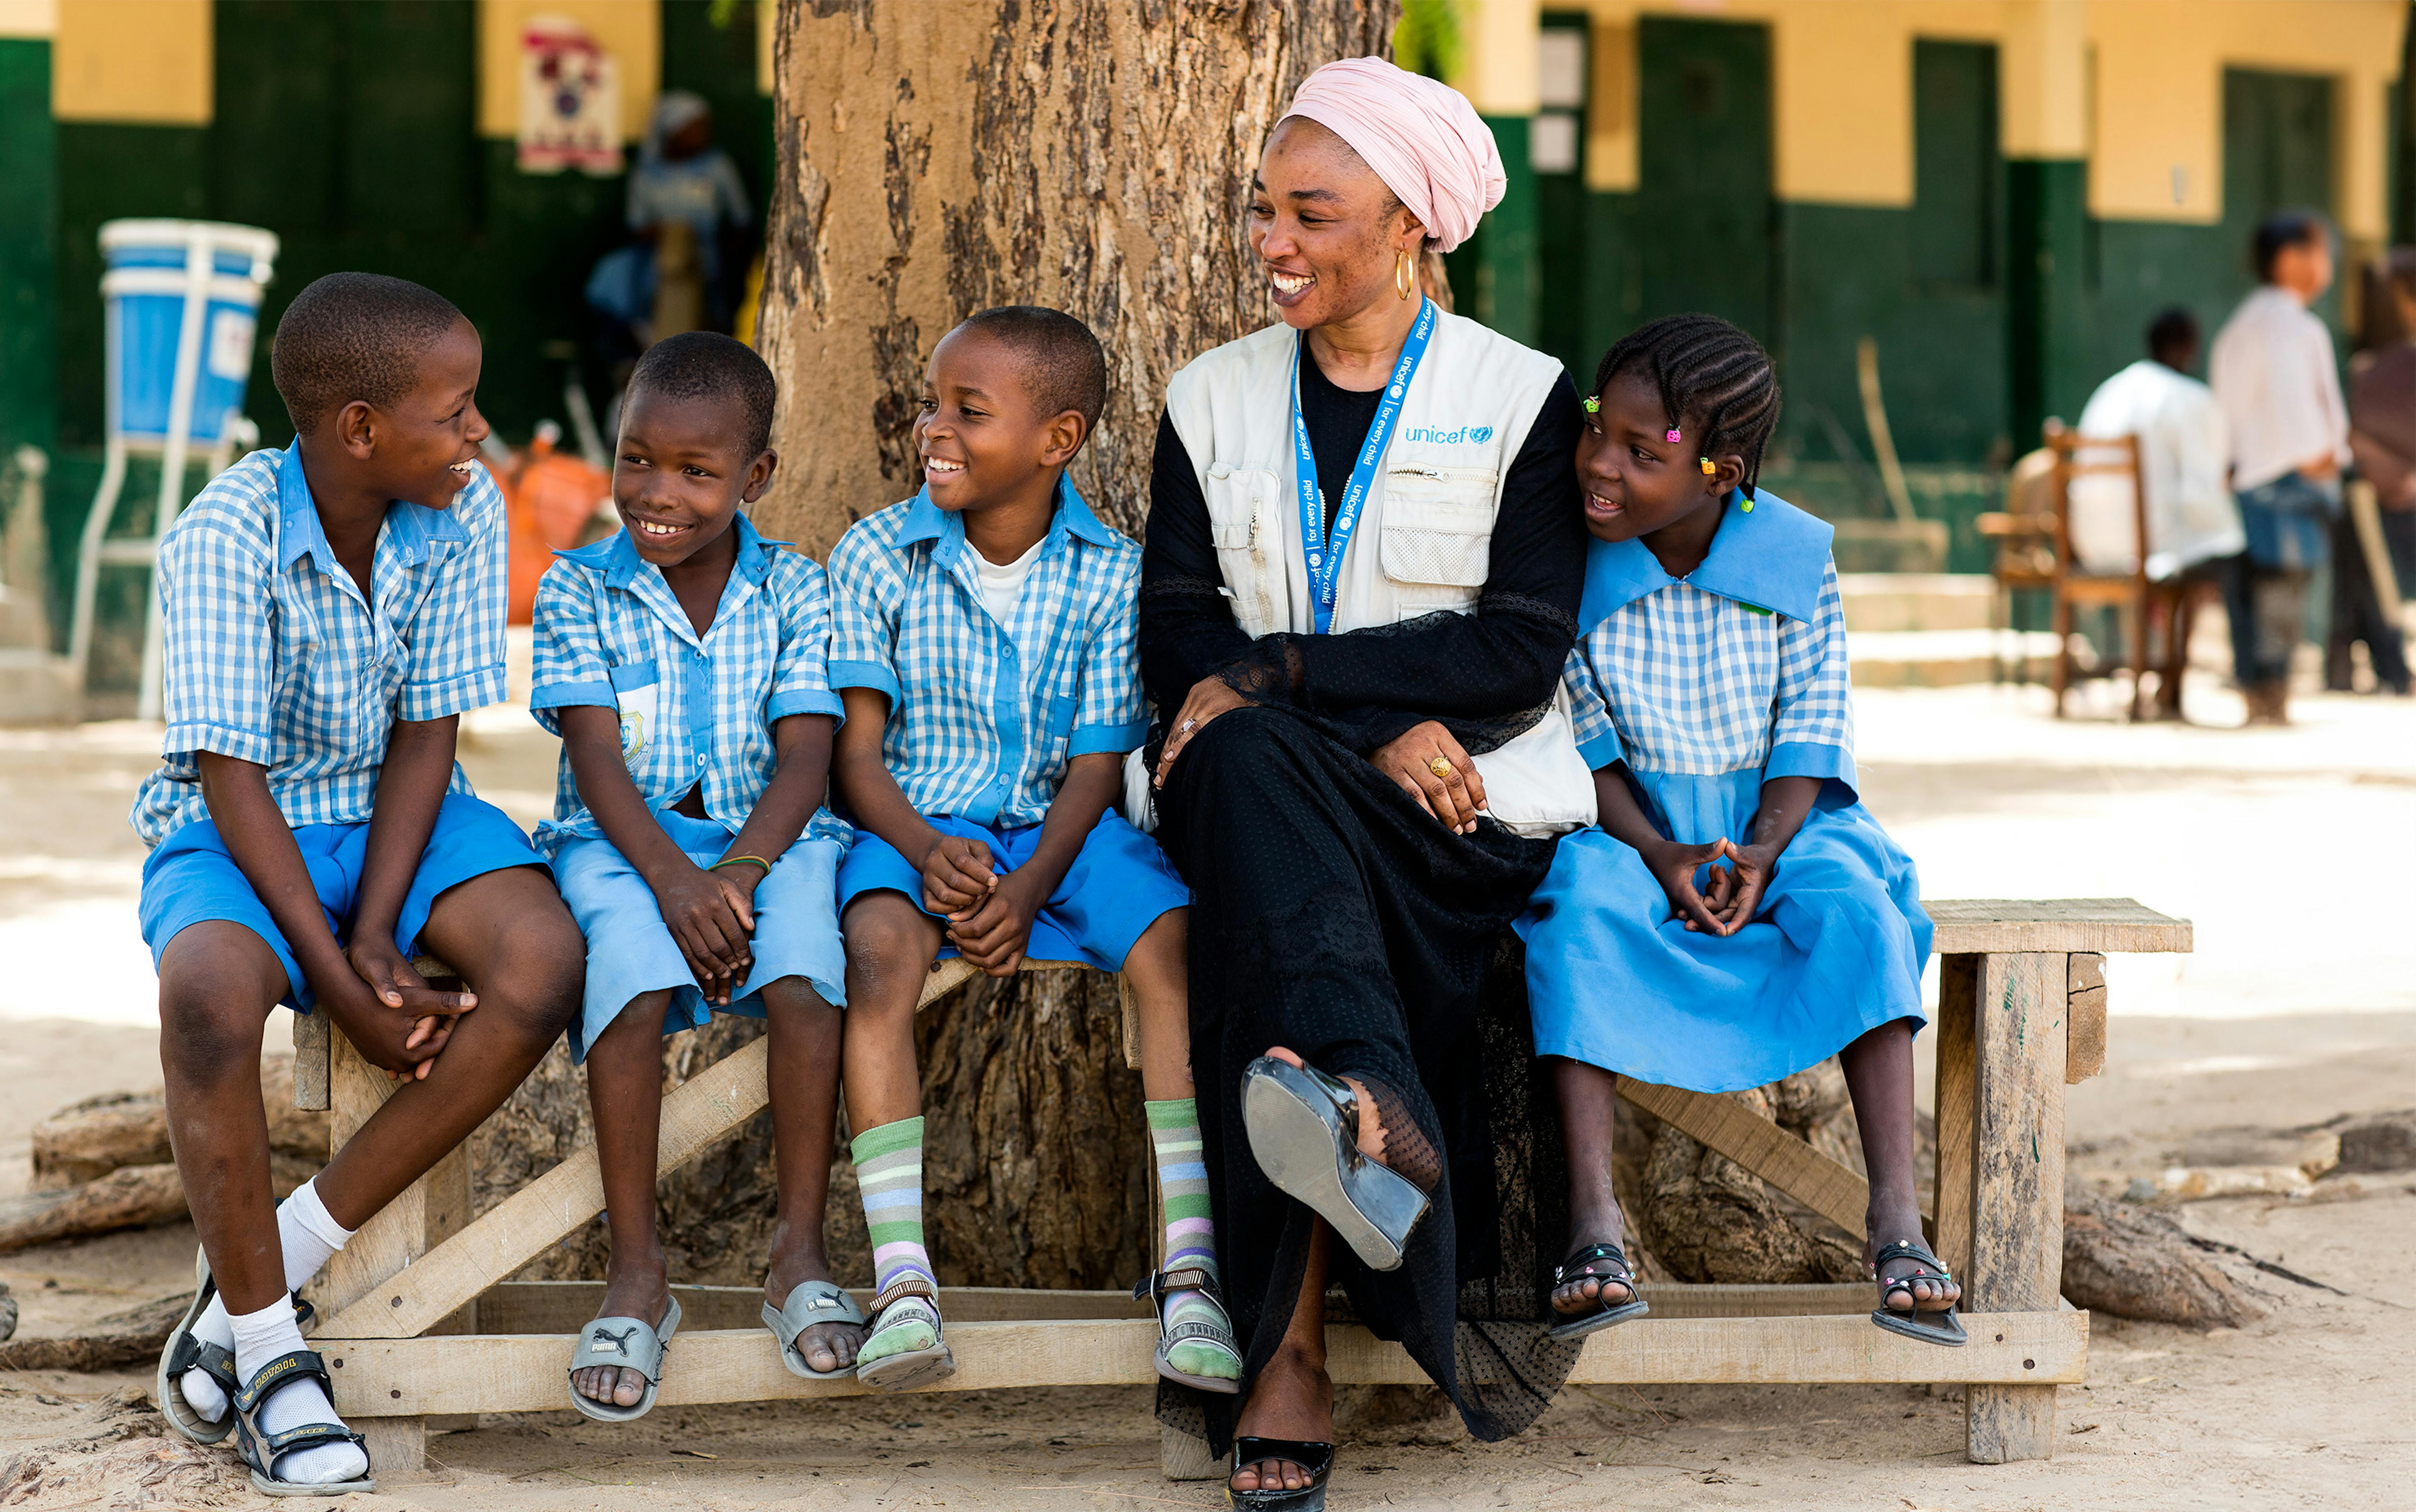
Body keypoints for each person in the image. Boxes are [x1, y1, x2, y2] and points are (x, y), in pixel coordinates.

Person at [1139, 56, 1593, 1509]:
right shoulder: (1205, 399)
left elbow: (1517, 651)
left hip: (1454, 821)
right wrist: (1349, 720)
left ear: (1411, 227)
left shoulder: (1518, 398)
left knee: (1267, 861)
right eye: (1263, 209)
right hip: (1275, 785)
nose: (1271, 239)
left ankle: (1286, 1356)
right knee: (1246, 765)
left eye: (1310, 212)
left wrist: (1309, 689)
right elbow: (1180, 642)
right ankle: (1372, 1100)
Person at [138, 273, 585, 1495]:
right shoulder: (222, 536)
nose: (479, 430)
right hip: (244, 822)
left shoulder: (463, 509)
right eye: (456, 409)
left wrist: (380, 924)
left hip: (400, 811)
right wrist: (340, 974)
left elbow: (428, 731)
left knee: (544, 958)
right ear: (358, 430)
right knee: (210, 1002)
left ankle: (268, 1256)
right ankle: (277, 1358)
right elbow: (229, 776)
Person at [1513, 315, 1957, 1353]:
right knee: (1575, 909)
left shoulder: (1799, 559)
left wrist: (1761, 848)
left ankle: (1895, 1218)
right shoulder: (1571, 565)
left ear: (1723, 470)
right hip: (1627, 827)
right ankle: (1592, 1225)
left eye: (1641, 451)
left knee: (1855, 908)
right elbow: (1583, 740)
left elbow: (1813, 718)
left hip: (1784, 821)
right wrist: (1661, 855)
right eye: (1596, 433)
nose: (1600, 467)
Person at [825, 307, 1222, 1396]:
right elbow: (856, 756)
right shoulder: (877, 554)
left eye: (967, 410)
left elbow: (1098, 768)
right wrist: (926, 846)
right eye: (930, 404)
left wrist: (1030, 884)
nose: (932, 430)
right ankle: (902, 1280)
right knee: (874, 954)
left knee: (1172, 943)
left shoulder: (1110, 573)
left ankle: (1192, 1268)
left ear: (1058, 438)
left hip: (1067, 833)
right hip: (911, 824)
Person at [529, 333, 865, 1419]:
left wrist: (740, 871)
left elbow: (810, 755)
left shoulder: (799, 589)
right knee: (622, 981)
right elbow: (593, 757)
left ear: (755, 477)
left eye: (695, 471)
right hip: (621, 844)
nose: (656, 493)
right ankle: (637, 1269)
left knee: (810, 976)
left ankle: (799, 1250)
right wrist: (679, 881)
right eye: (636, 460)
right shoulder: (577, 585)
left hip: (772, 838)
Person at [2210, 212, 2351, 724]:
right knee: (2285, 589)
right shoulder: (2296, 329)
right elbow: (2304, 410)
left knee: (2249, 589)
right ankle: (2274, 691)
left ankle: (2255, 691)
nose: (2326, 265)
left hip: (2244, 477)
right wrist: (2322, 456)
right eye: (2320, 253)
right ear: (2291, 260)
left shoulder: (2239, 328)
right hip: (2292, 477)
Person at [2070, 307, 2247, 716]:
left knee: (2190, 548)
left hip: (2091, 543)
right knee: (2217, 557)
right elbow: (2204, 489)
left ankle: (2161, 670)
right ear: (2189, 348)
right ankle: (2175, 678)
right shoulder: (2187, 398)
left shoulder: (2109, 392)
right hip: (2149, 546)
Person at [585, 91, 757, 371]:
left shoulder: (717, 168)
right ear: (673, 130)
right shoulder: (647, 173)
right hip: (658, 259)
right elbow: (636, 225)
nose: (702, 134)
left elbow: (741, 220)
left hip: (706, 260)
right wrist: (668, 233)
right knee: (611, 282)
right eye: (694, 127)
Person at [2335, 249, 2416, 695]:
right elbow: (2350, 437)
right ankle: (2393, 668)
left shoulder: (2370, 369)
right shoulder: (2370, 370)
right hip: (2382, 506)